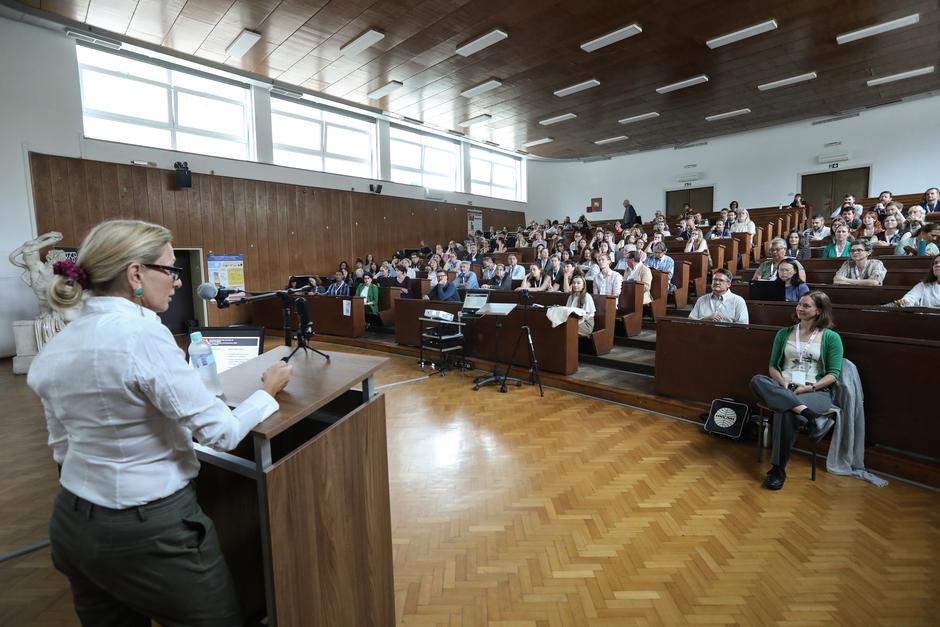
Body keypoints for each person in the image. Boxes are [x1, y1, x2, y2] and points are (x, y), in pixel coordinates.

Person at [27, 219, 293, 626]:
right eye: (170, 270)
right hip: (148, 530)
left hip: (72, 523)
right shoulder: (140, 335)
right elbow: (220, 433)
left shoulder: (61, 341)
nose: (178, 283)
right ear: (136, 274)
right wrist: (266, 393)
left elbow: (61, 447)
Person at [750, 291, 842, 490]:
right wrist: (783, 382)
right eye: (799, 304)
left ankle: (777, 471)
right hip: (784, 387)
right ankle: (812, 417)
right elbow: (773, 366)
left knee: (785, 411)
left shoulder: (831, 337)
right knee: (757, 380)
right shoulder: (784, 333)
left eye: (806, 306)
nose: (799, 308)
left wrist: (810, 387)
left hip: (816, 391)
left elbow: (833, 374)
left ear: (819, 310)